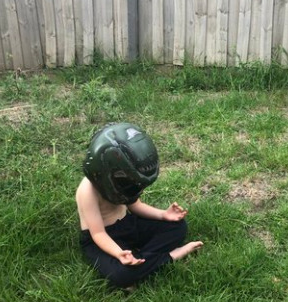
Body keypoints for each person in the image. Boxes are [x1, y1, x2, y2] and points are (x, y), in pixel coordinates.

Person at [76, 123, 203, 287]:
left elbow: (135, 206)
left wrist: (163, 215)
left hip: (128, 224)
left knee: (178, 227)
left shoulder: (119, 181)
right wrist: (118, 253)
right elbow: (98, 234)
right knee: (120, 276)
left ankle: (141, 261)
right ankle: (170, 256)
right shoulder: (87, 191)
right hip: (102, 239)